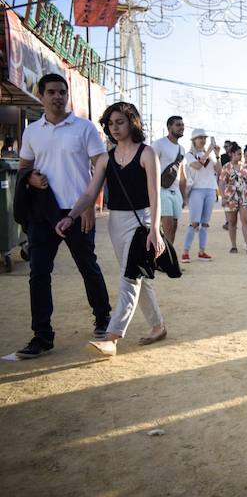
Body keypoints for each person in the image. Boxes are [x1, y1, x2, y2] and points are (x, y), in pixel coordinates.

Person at [55, 102, 166, 357]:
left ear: (132, 123)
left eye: (120, 122)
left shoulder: (147, 153)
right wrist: (71, 216)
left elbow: (155, 194)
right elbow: (90, 193)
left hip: (144, 221)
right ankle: (158, 326)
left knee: (129, 277)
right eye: (110, 123)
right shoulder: (106, 158)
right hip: (117, 222)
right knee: (138, 277)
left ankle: (112, 336)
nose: (114, 128)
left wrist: (155, 230)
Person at [14, 73, 111, 358]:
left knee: (88, 267)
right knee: (39, 274)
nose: (58, 97)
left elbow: (101, 165)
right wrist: (30, 177)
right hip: (43, 213)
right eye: (52, 92)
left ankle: (103, 319)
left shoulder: (84, 128)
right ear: (41, 95)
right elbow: (23, 167)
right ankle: (41, 336)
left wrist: (90, 204)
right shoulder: (32, 131)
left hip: (77, 211)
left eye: (62, 92)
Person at [181, 128, 220, 263]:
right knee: (194, 222)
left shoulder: (209, 155)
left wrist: (217, 155)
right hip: (196, 190)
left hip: (210, 189)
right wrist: (209, 151)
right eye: (200, 138)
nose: (203, 140)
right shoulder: (190, 154)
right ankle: (185, 252)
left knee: (205, 223)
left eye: (204, 138)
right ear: (194, 140)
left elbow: (218, 170)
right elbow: (197, 166)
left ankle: (201, 252)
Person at [152, 116, 186, 245]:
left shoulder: (182, 149)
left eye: (182, 125)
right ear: (169, 127)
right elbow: (148, 167)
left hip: (176, 192)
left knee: (173, 229)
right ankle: (164, 262)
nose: (181, 127)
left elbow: (182, 175)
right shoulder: (159, 144)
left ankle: (168, 260)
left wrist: (184, 196)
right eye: (178, 125)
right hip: (161, 190)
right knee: (167, 227)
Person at [219, 142, 247, 254]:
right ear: (232, 154)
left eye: (241, 154)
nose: (240, 156)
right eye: (238, 154)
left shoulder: (245, 167)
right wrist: (223, 197)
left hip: (244, 195)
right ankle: (233, 246)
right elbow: (221, 183)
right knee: (232, 221)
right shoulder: (226, 167)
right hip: (230, 196)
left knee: (246, 220)